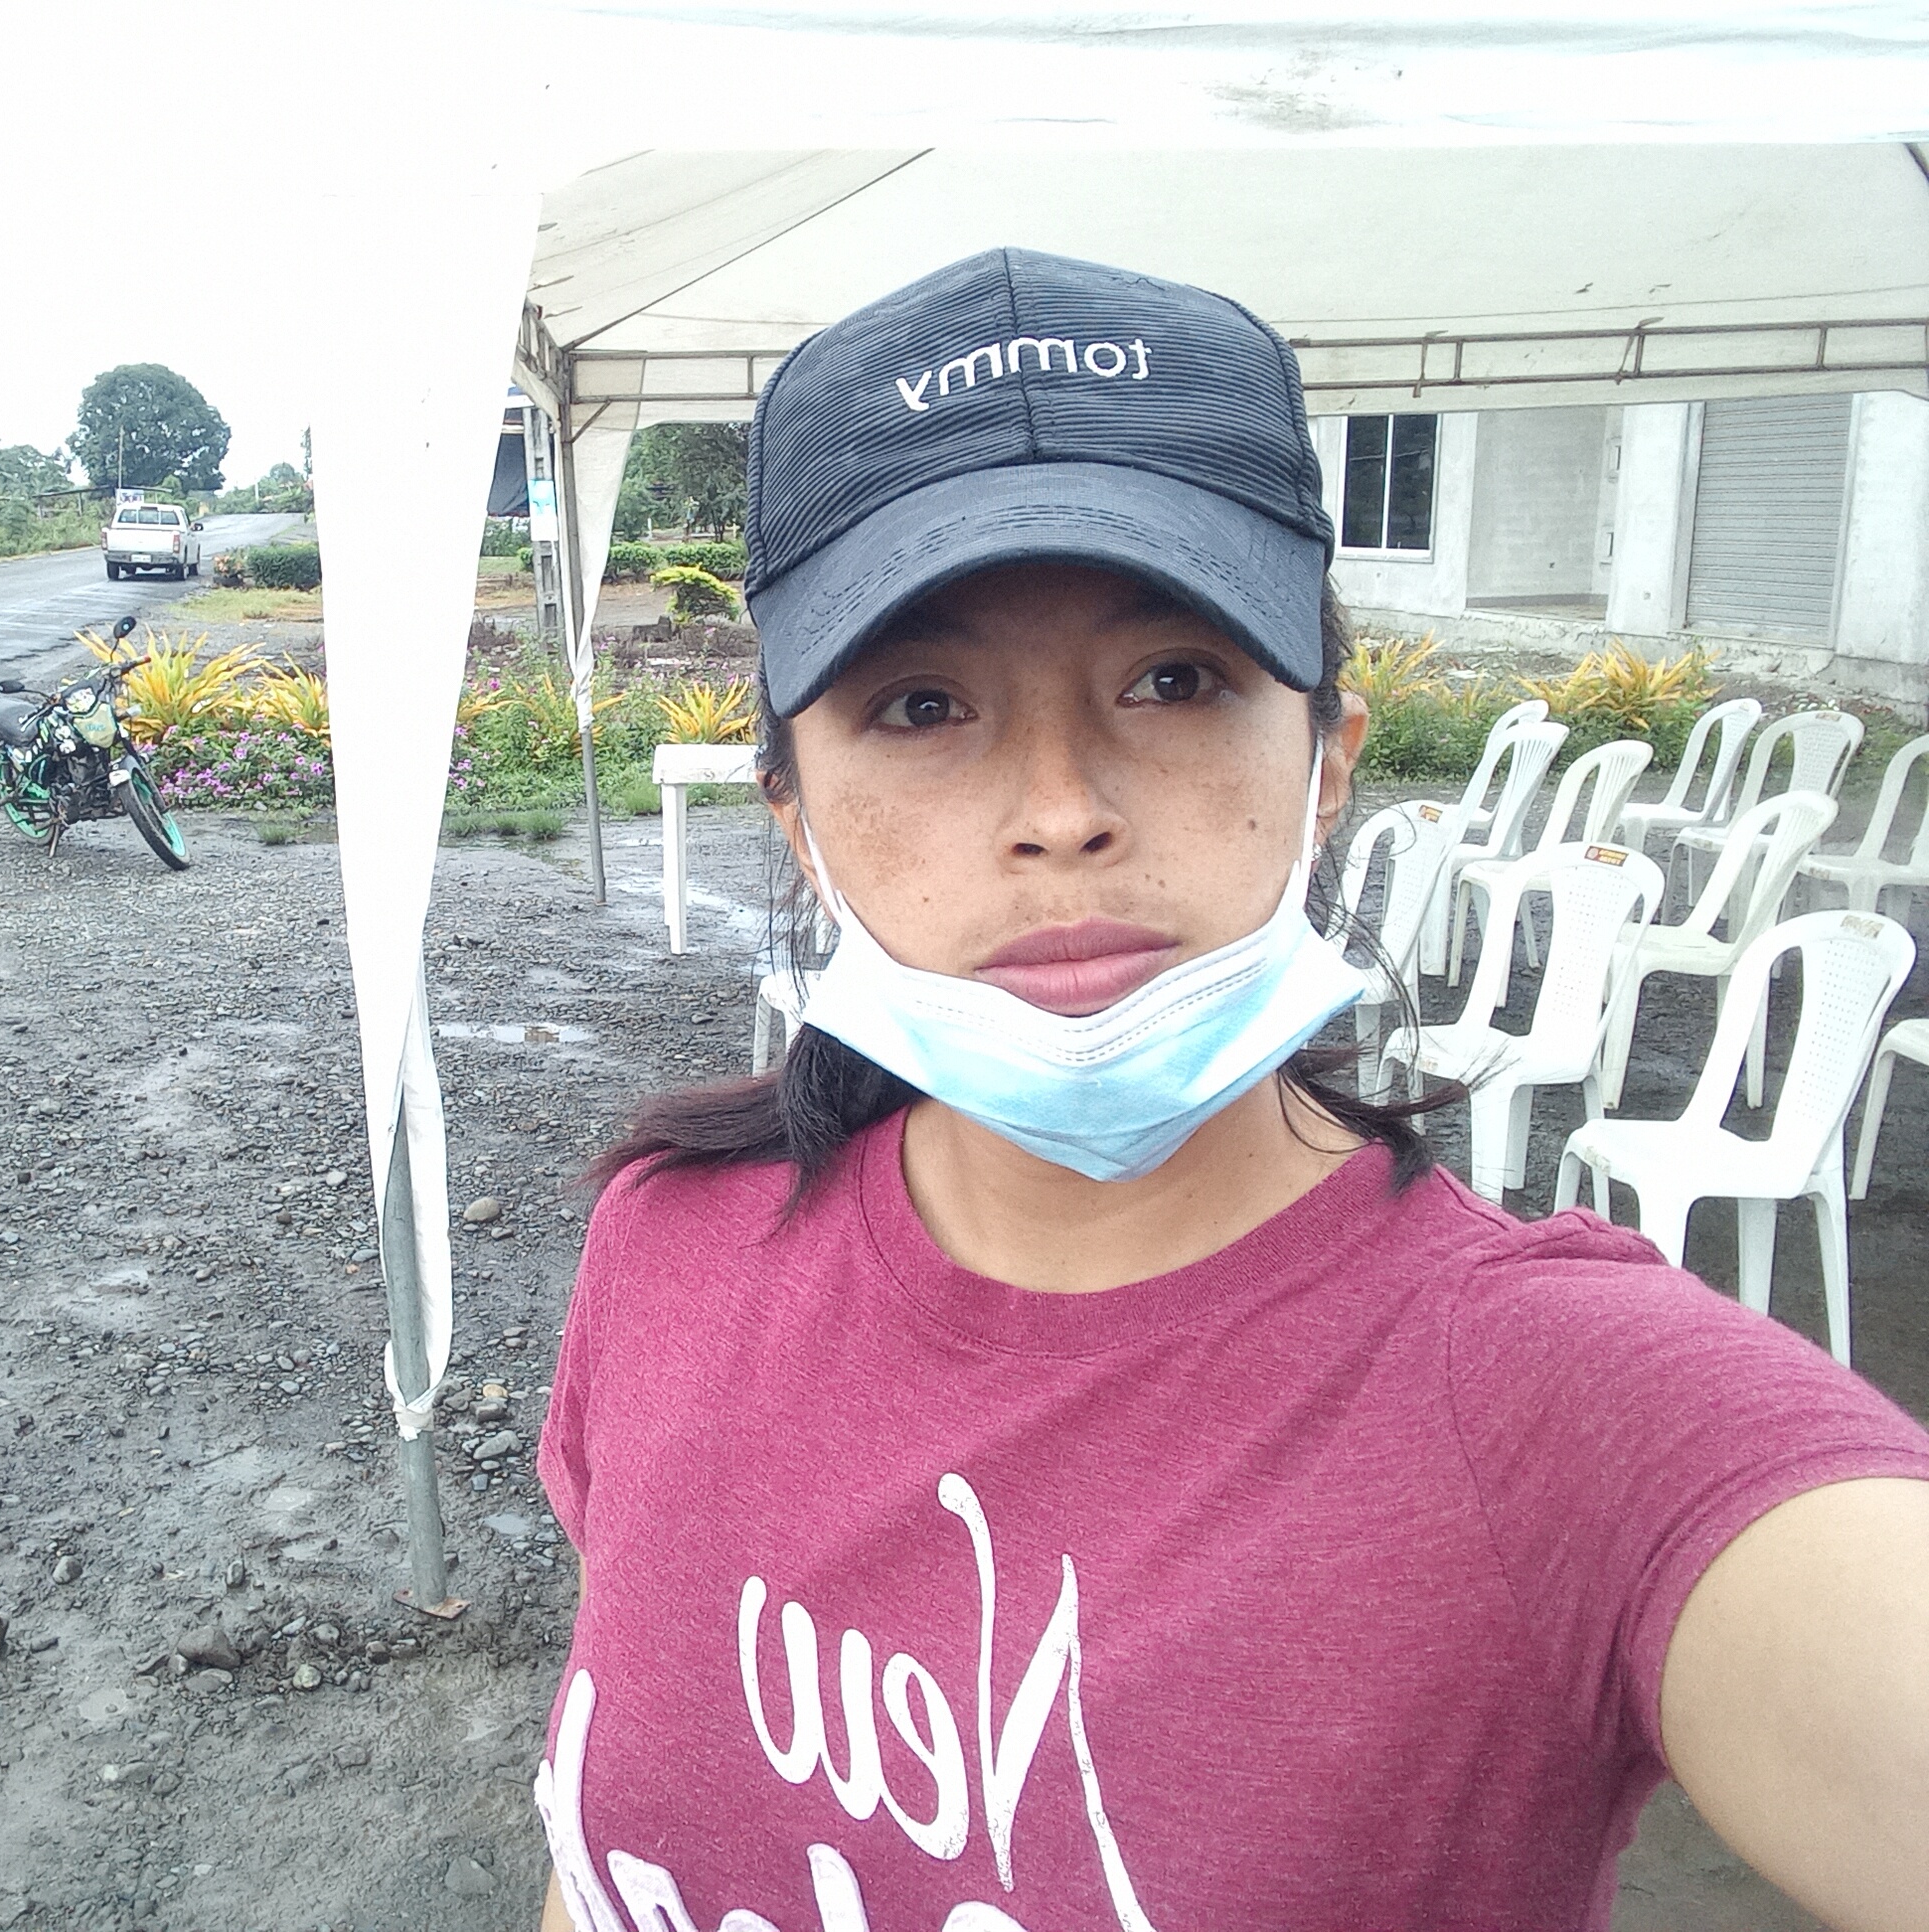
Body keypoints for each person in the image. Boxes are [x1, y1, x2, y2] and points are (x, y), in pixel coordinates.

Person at [532, 249, 1929, 1932]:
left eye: (1175, 680)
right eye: (921, 704)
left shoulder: (1563, 1406)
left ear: (1327, 762)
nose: (1061, 810)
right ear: (797, 818)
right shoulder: (667, 1248)